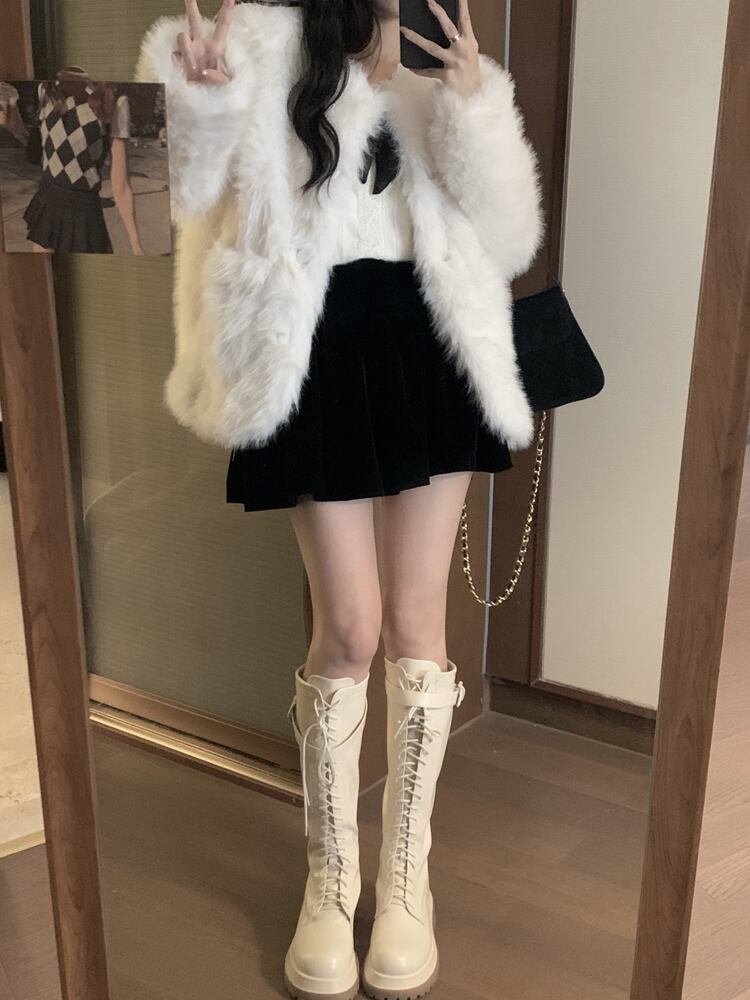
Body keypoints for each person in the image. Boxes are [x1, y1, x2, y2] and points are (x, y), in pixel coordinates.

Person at [137, 0, 543, 997]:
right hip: (312, 355)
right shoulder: (265, 49)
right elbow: (177, 198)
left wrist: (475, 108)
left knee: (416, 626)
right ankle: (332, 875)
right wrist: (198, 95)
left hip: (433, 347)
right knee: (351, 628)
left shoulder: (441, 64)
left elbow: (509, 240)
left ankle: (406, 881)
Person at [21, 68, 145, 254]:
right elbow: (45, 150)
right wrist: (15, 126)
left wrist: (136, 245)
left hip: (83, 212)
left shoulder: (114, 98)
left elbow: (121, 183)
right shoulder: (47, 89)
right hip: (48, 200)